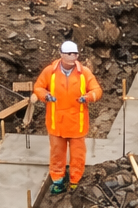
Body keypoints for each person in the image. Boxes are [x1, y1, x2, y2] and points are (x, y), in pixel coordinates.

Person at [32, 40, 102, 194]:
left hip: (78, 122)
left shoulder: (84, 73)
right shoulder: (50, 71)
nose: (73, 56)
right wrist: (45, 95)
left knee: (77, 154)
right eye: (70, 53)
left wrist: (89, 97)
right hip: (56, 121)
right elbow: (38, 87)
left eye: (75, 53)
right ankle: (58, 180)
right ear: (61, 54)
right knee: (57, 153)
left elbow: (97, 89)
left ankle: (75, 180)